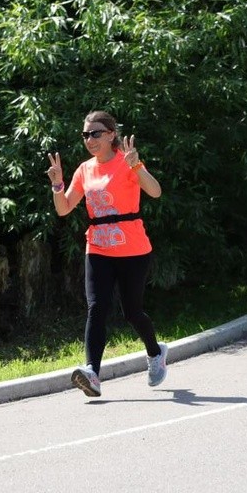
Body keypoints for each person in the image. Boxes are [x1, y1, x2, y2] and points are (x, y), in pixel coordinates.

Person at [45, 110, 167, 397]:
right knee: (96, 307)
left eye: (96, 133)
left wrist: (137, 167)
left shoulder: (127, 163)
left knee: (132, 312)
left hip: (133, 248)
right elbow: (64, 208)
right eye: (86, 135)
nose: (90, 139)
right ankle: (93, 373)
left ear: (112, 134)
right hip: (98, 246)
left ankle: (155, 352)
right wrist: (57, 184)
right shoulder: (84, 169)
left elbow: (156, 191)